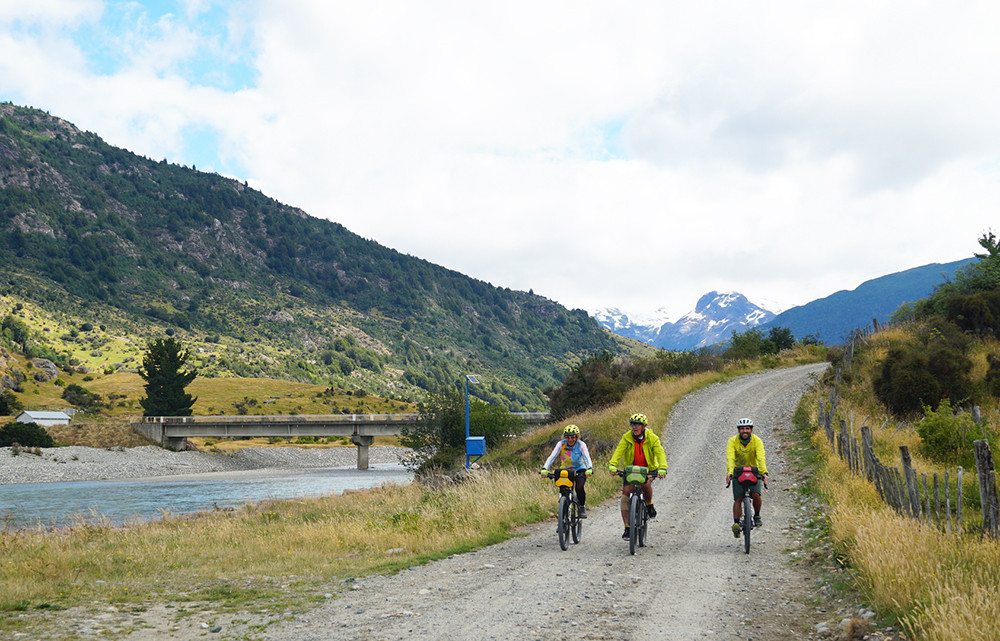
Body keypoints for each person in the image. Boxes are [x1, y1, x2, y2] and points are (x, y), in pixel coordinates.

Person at [607, 413, 667, 540]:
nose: (634, 427)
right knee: (626, 493)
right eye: (633, 424)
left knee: (645, 485)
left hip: (648, 469)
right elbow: (619, 451)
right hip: (631, 469)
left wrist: (662, 468)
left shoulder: (652, 438)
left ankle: (649, 504)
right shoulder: (627, 437)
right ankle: (627, 527)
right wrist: (612, 465)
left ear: (644, 426)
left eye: (638, 425)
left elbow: (660, 452)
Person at [726, 417, 769, 537]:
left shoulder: (757, 441)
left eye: (747, 429)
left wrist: (764, 472)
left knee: (756, 495)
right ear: (738, 430)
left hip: (754, 471)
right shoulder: (732, 441)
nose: (745, 431)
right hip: (738, 472)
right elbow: (730, 458)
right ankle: (736, 524)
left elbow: (760, 458)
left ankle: (757, 515)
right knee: (738, 499)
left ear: (751, 430)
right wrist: (730, 472)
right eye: (742, 429)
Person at [540, 424, 594, 517]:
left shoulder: (581, 445)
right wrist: (545, 468)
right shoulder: (561, 444)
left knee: (579, 488)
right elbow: (552, 457)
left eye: (573, 437)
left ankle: (581, 506)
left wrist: (589, 468)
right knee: (563, 492)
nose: (570, 439)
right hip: (565, 470)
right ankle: (563, 519)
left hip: (579, 469)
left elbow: (587, 457)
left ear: (577, 437)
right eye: (567, 437)